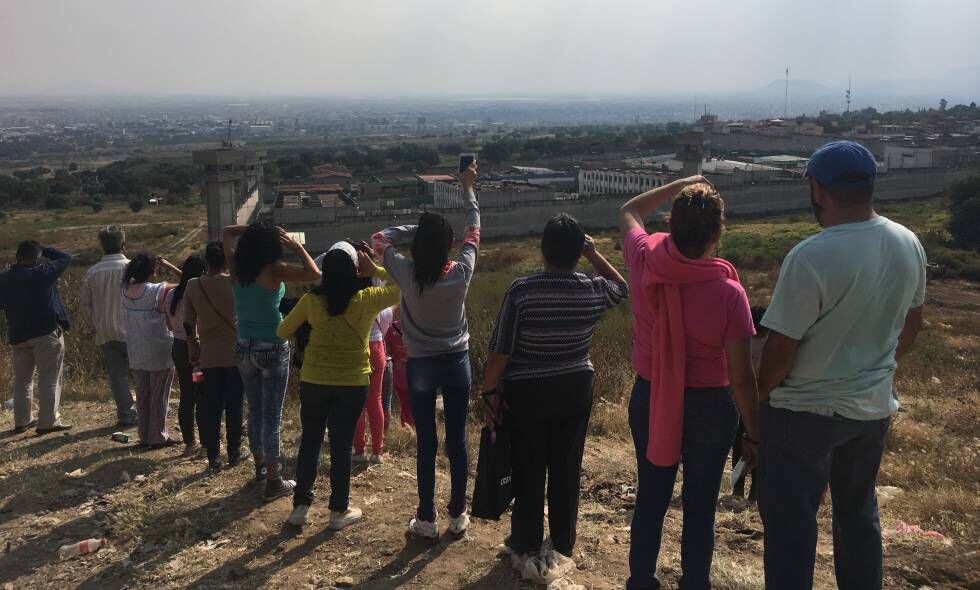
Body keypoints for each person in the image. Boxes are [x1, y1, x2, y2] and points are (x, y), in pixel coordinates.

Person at [756, 141, 926, 589]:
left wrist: (759, 395)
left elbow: (779, 349)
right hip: (871, 409)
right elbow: (912, 323)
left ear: (817, 189)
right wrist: (876, 366)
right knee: (858, 514)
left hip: (803, 413)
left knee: (791, 525)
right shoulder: (908, 243)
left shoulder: (811, 255)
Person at [618, 177, 761, 590]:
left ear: (671, 222)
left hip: (652, 397)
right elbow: (740, 376)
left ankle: (641, 581)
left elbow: (628, 210)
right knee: (700, 507)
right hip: (711, 408)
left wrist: (681, 183)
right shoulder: (729, 293)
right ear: (717, 234)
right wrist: (754, 432)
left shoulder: (646, 259)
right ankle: (694, 583)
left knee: (651, 498)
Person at [482, 214, 628, 584]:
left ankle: (527, 542)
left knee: (529, 466)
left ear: (542, 249)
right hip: (574, 388)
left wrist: (488, 392)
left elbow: (501, 350)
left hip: (527, 393)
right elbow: (622, 286)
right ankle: (562, 542)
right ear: (577, 252)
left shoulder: (522, 291)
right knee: (566, 467)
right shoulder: (591, 288)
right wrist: (594, 254)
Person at [372, 162, 480, 538]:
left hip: (420, 365)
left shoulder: (404, 271)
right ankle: (457, 514)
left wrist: (420, 230)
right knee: (457, 441)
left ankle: (427, 518)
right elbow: (474, 228)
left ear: (418, 245)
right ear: (449, 244)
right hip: (457, 361)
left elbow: (380, 237)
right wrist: (467, 190)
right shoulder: (461, 273)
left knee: (426, 444)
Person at [277, 242, 400, 529]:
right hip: (352, 381)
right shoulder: (367, 298)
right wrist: (376, 269)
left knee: (310, 442)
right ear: (354, 272)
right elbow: (403, 287)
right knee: (342, 446)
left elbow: (282, 330)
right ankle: (337, 511)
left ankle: (300, 508)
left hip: (314, 380)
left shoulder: (311, 301)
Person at [223, 223, 321, 501]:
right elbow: (315, 274)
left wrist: (254, 229)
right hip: (272, 345)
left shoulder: (237, 267)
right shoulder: (275, 269)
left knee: (254, 410)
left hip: (244, 345)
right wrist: (296, 245)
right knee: (272, 415)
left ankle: (259, 468)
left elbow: (228, 233)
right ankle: (274, 480)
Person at [184, 242, 259, 474]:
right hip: (236, 355)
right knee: (234, 405)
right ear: (226, 262)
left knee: (211, 406)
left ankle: (213, 455)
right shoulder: (234, 283)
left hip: (208, 356)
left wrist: (192, 347)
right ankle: (234, 452)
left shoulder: (193, 285)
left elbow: (188, 322)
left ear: (206, 260)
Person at [0, 241, 73, 434]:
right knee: (49, 377)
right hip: (45, 333)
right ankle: (47, 422)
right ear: (36, 257)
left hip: (18, 335)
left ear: (17, 256)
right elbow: (66, 257)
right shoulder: (42, 273)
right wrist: (45, 248)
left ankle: (22, 421)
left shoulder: (4, 278)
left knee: (22, 379)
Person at [120, 252, 182, 448]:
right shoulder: (159, 290)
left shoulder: (125, 289)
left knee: (143, 394)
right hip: (159, 350)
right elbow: (189, 283)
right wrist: (171, 267)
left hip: (136, 350)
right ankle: (158, 436)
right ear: (152, 270)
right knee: (159, 395)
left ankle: (144, 435)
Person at [80, 225, 137, 427]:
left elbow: (85, 305)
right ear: (123, 244)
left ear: (102, 246)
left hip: (105, 331)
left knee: (117, 377)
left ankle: (125, 414)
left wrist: (95, 323)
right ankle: (144, 412)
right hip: (133, 330)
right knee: (140, 373)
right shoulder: (132, 268)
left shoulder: (93, 272)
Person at [165, 255, 208, 456]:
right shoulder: (199, 293)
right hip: (197, 351)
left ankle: (190, 443)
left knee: (187, 395)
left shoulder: (172, 294)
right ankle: (207, 444)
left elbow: (168, 323)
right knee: (202, 395)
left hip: (179, 348)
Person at [731, 306, 768, 500]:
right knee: (745, 445)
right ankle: (744, 491)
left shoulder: (752, 341)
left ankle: (748, 490)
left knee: (749, 445)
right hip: (752, 401)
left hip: (752, 400)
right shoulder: (762, 342)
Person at [352, 306, 393, 463]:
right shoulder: (383, 306)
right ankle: (377, 452)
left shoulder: (356, 300)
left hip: (359, 347)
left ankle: (359, 451)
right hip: (377, 348)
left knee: (358, 402)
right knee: (376, 400)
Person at [383, 307, 413, 428]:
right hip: (418, 372)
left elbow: (386, 351)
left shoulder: (392, 328)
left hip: (399, 374)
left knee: (405, 405)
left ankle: (406, 428)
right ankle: (413, 430)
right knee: (416, 404)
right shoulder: (418, 327)